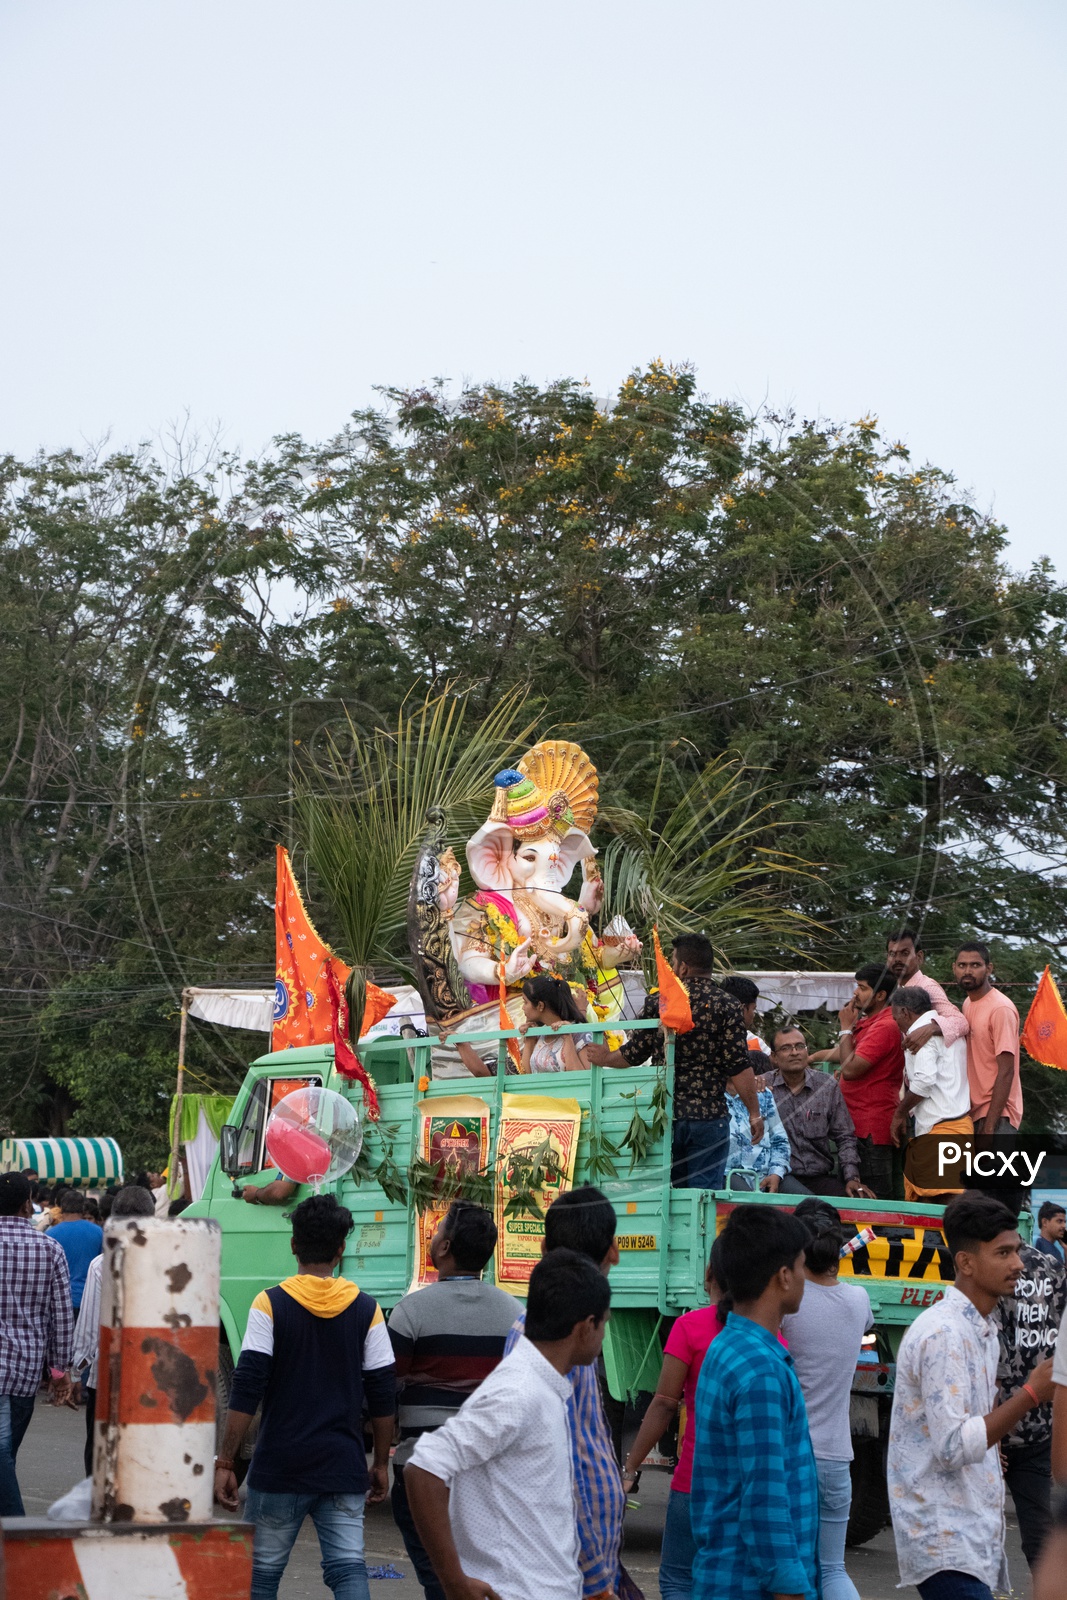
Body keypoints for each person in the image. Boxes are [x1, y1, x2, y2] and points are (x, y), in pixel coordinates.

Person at [214, 1194, 396, 1600]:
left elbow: (248, 1385)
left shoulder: (270, 1304)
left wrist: (226, 1460)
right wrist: (380, 1462)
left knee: (260, 1578)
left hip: (280, 1467)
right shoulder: (367, 1310)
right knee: (349, 1570)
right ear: (341, 1249)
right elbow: (383, 1392)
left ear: (293, 1244)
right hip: (343, 1466)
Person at [405, 1248, 611, 1600]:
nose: (603, 1335)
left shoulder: (543, 1387)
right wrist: (454, 1582)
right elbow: (423, 1468)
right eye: (603, 1324)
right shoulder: (519, 1392)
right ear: (584, 1328)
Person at [888, 1192, 1054, 1600]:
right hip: (944, 1536)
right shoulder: (945, 1334)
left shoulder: (980, 1328)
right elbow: (951, 1447)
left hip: (970, 1532)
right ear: (965, 1262)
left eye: (1016, 1250)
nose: (1018, 1264)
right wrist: (1032, 1392)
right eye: (1003, 1253)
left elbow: (967, 1429)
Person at [621, 1237, 788, 1600]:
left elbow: (664, 1403)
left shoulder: (690, 1328)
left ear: (709, 1272)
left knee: (679, 1580)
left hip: (694, 1481)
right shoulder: (772, 1339)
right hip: (749, 1485)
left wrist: (631, 1467)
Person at [502, 1185, 637, 1600]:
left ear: (543, 1247)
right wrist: (597, 1581)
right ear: (612, 1251)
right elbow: (561, 1467)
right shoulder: (557, 1339)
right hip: (572, 1564)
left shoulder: (564, 1329)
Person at [388, 1202, 522, 1600]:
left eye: (436, 1231)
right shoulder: (514, 1314)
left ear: (444, 1247)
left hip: (421, 1472)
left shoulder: (410, 1311)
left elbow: (387, 1388)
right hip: (488, 1474)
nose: (432, 1237)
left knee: (440, 1581)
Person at [690, 1205, 817, 1600]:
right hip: (749, 1585)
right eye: (801, 1267)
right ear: (783, 1277)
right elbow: (764, 1498)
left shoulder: (728, 1345)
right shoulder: (761, 1369)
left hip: (723, 1575)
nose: (803, 1278)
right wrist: (792, 1590)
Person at [586, 933, 764, 1190]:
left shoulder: (659, 1003)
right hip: (709, 1117)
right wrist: (754, 1113)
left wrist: (605, 1057)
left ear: (683, 967)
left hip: (666, 1117)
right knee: (702, 1198)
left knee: (670, 1194)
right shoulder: (727, 1005)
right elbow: (737, 1065)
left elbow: (634, 1054)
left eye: (672, 962)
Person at [782, 1199, 874, 1600]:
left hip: (790, 1455)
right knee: (833, 1569)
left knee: (787, 1570)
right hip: (836, 1458)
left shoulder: (786, 1305)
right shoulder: (859, 1301)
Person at [991, 1215, 1066, 1569]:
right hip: (1041, 1422)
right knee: (1039, 1534)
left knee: (979, 1535)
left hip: (997, 1420)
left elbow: (997, 1357)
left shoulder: (995, 1270)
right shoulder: (1052, 1265)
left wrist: (991, 1438)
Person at [0, 1171, 74, 1516]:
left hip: (16, 1375)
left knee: (4, 1459)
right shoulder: (48, 1249)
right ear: (27, 1204)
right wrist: (60, 1373)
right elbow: (61, 1317)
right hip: (22, 1373)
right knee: (4, 1456)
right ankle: (16, 1535)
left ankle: (13, 1539)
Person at [72, 1184, 155, 1476]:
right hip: (153, 1377)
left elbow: (90, 1329)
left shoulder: (101, 1264)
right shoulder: (172, 1262)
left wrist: (74, 1373)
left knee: (100, 1456)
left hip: (107, 1377)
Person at [762, 1026, 871, 1199]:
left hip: (820, 1177)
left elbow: (845, 1136)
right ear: (774, 1057)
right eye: (785, 1048)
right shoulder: (763, 1086)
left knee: (855, 1205)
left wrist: (852, 1177)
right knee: (815, 1212)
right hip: (779, 1178)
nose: (794, 1052)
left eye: (800, 1046)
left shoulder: (826, 1085)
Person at [888, 985, 972, 1201]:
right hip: (949, 1125)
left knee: (942, 1202)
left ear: (905, 1012)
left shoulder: (922, 1035)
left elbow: (924, 1082)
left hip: (942, 1127)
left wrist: (899, 1113)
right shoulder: (941, 1029)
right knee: (932, 1201)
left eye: (896, 1018)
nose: (897, 1024)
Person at [837, 963, 904, 1199]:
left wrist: (845, 1028)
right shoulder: (871, 1023)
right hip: (858, 1127)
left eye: (862, 988)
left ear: (880, 995)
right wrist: (812, 1056)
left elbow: (851, 1069)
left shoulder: (885, 1026)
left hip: (870, 1131)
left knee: (875, 1203)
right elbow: (848, 1054)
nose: (855, 992)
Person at [953, 944, 1023, 1134]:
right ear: (954, 968)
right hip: (972, 1113)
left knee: (996, 1165)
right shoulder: (968, 1003)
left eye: (975, 965)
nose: (967, 971)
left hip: (998, 1116)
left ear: (989, 969)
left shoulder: (1001, 1009)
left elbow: (1007, 1071)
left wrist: (990, 1128)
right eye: (962, 965)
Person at [885, 927, 970, 1054]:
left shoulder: (927, 986)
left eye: (905, 953)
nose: (897, 959)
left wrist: (931, 1029)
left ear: (919, 957)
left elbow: (960, 1022)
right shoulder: (898, 989)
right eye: (892, 954)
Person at [724, 1078, 792, 1193]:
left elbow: (779, 1141)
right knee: (752, 1206)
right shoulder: (709, 1094)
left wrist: (776, 1173)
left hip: (766, 1174)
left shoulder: (762, 1093)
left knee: (810, 1203)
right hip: (727, 1174)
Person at [520, 975, 592, 1073]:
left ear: (540, 1005)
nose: (523, 1008)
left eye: (525, 1002)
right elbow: (526, 1074)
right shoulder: (541, 1033)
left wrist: (568, 1037)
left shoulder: (580, 1033)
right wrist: (529, 1040)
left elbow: (585, 1079)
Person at [47, 1188, 103, 1316]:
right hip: (90, 1298)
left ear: (61, 1208)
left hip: (60, 1300)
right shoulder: (98, 1232)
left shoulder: (50, 1235)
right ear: (83, 1208)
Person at [719, 975, 769, 1056]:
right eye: (753, 1009)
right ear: (743, 1008)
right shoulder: (753, 1043)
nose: (753, 1015)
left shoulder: (703, 1034)